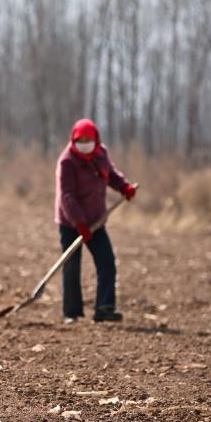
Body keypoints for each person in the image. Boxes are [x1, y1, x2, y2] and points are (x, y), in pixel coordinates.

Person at [55, 118, 137, 324]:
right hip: (71, 222)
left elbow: (110, 175)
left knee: (106, 261)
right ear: (73, 140)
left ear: (96, 140)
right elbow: (67, 197)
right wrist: (80, 224)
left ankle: (104, 308)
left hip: (96, 220)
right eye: (80, 140)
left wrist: (124, 187)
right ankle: (71, 312)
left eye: (88, 140)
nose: (84, 143)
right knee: (72, 266)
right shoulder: (67, 162)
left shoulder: (101, 154)